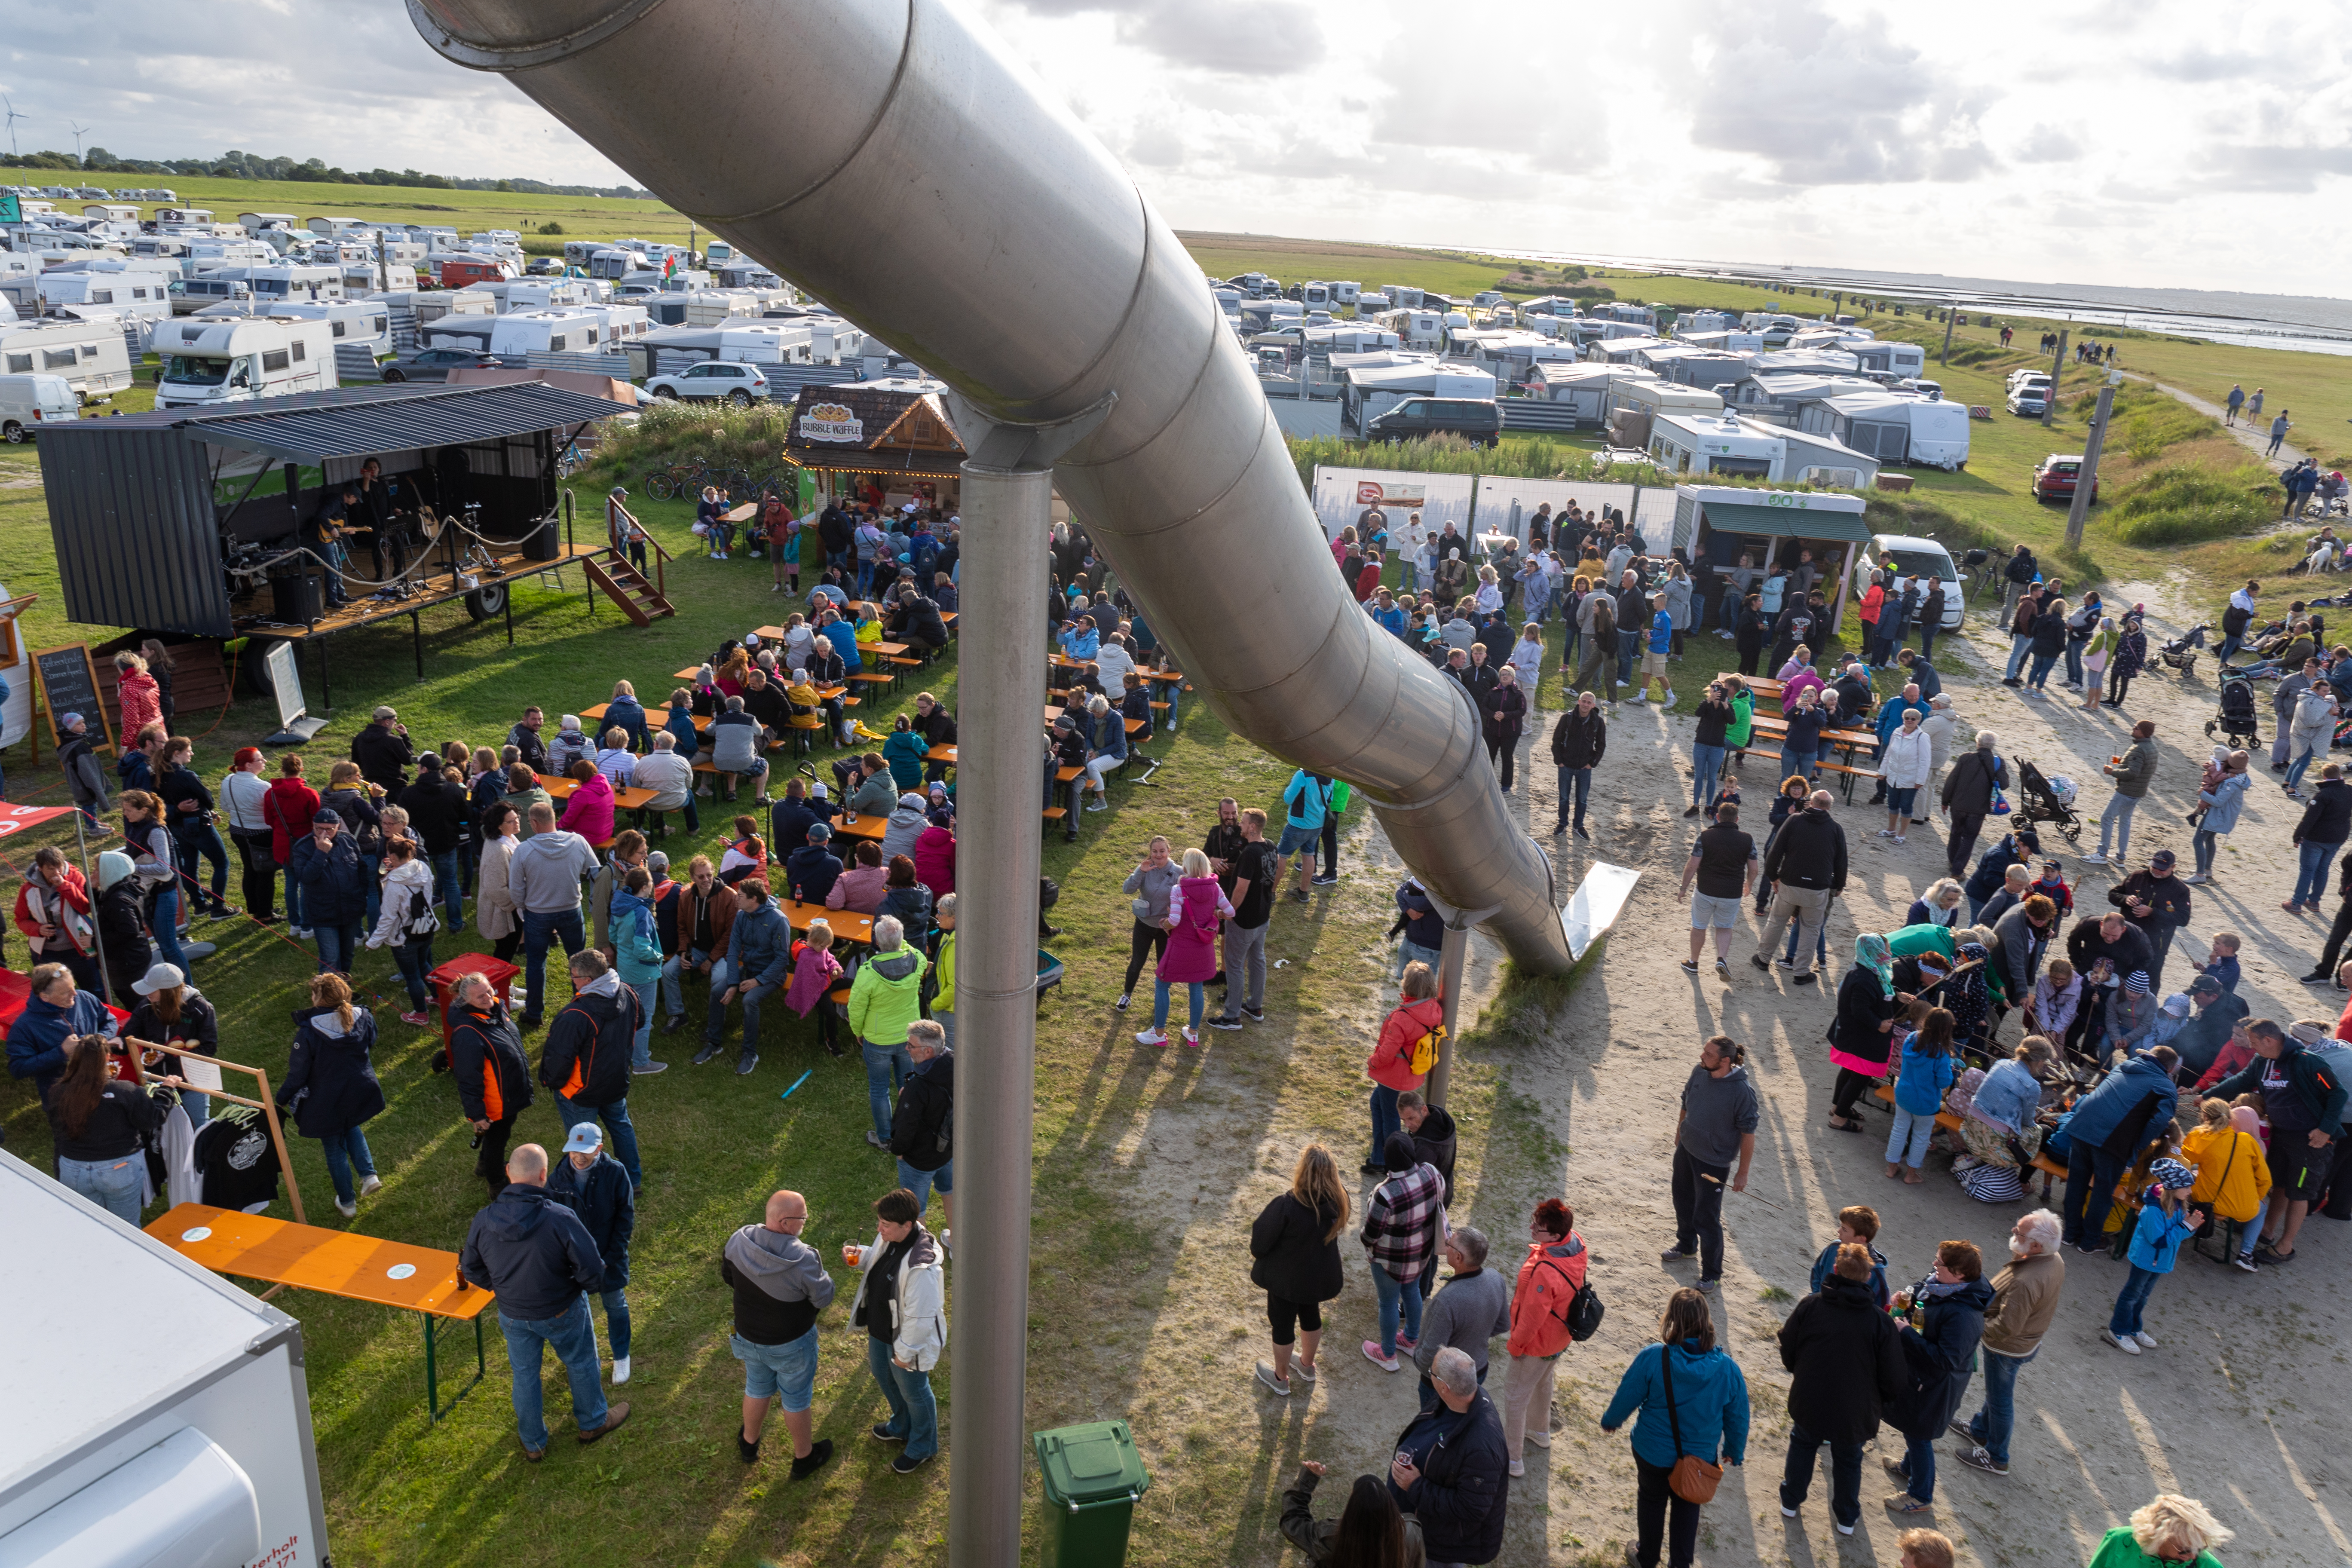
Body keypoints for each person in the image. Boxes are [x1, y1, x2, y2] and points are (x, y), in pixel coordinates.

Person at [458, 1143, 628, 1459]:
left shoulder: (483, 1219)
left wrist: (501, 1288)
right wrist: (576, 1288)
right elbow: (592, 1269)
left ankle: (533, 1443)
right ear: (543, 1176)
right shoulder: (560, 1218)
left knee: (524, 1374)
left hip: (512, 1314)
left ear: (509, 1172)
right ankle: (592, 1422)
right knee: (580, 1363)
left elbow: (470, 1268)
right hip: (561, 1310)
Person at [1600, 1289, 1749, 1568]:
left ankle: (1647, 1557)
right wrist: (1734, 1450)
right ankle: (1680, 1564)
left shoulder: (1653, 1358)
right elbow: (1738, 1415)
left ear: (1672, 1320)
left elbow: (1627, 1394)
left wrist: (1612, 1420)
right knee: (1687, 1505)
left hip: (1652, 1452)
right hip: (1699, 1459)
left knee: (1651, 1499)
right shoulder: (1728, 1369)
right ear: (1706, 1321)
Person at [1777, 1240, 1905, 1537]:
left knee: (1802, 1446)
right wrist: (1879, 1400)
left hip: (1810, 1399)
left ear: (1834, 1270)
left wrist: (1800, 1371)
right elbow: (1895, 1376)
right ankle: (1846, 1518)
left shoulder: (1811, 1305)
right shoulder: (1880, 1322)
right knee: (1849, 1461)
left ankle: (1790, 1501)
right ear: (1867, 1277)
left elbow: (1788, 1342)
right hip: (1855, 1410)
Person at [2202, 1018, 2348, 1265]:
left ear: (2269, 1040)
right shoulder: (2262, 1061)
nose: (2251, 1047)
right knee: (2277, 1183)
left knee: (2299, 1193)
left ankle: (2285, 1247)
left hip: (2310, 1141)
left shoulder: (2307, 1062)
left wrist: (2325, 1130)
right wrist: (2206, 1096)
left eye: (2254, 1043)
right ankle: (2267, 1231)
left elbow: (2338, 1094)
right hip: (2282, 1134)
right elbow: (2241, 1082)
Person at [723, 1189, 837, 1477]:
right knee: (796, 1399)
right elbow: (823, 1299)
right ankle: (804, 1458)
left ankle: (749, 1443)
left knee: (757, 1387)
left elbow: (728, 1276)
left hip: (748, 1337)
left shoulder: (739, 1239)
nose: (805, 1223)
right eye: (803, 1218)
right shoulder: (804, 1259)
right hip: (792, 1344)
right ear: (786, 1223)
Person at [848, 1186, 948, 1475]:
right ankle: (901, 1426)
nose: (880, 1230)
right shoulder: (892, 1234)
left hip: (905, 1341)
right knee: (884, 1377)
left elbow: (920, 1320)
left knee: (915, 1392)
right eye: (880, 1223)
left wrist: (904, 1355)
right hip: (880, 1331)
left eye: (886, 1226)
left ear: (908, 1225)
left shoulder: (924, 1269)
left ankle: (923, 1446)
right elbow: (884, 1263)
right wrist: (863, 1255)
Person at [1385, 1346, 1510, 1567]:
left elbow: (1472, 1508)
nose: (1428, 1375)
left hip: (1441, 1546)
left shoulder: (1482, 1448)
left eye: (1431, 1373)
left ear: (1444, 1387)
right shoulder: (1458, 1400)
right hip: (1424, 1524)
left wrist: (1415, 1486)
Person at [277, 972, 386, 1220]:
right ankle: (369, 1176)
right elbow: (372, 1040)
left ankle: (348, 1203)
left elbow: (298, 1074)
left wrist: (282, 1097)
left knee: (334, 1148)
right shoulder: (364, 1016)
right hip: (359, 1089)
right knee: (351, 1126)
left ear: (318, 997)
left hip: (326, 1098)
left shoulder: (308, 1033)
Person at [1250, 1144, 1348, 1397]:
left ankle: (1280, 1378)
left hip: (1287, 1282)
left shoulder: (1287, 1206)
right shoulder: (1340, 1201)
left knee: (1282, 1327)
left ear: (1302, 1171)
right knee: (1311, 1314)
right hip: (1317, 1278)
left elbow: (1259, 1244)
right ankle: (1307, 1365)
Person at [2061, 1044, 2182, 1249]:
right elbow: (2160, 1121)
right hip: (2113, 1140)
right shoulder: (2166, 1087)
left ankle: (2070, 1233)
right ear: (2171, 1069)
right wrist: (2140, 1144)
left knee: (2076, 1184)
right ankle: (2089, 1242)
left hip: (2083, 1126)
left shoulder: (2123, 1066)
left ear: (2149, 1056)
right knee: (2102, 1191)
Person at [1500, 1197, 1586, 1472]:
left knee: (1515, 1396)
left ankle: (1512, 1459)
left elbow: (1531, 1318)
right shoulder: (1576, 1245)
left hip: (1537, 1343)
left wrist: (1516, 1345)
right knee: (1543, 1380)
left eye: (1538, 1228)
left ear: (1555, 1235)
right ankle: (1540, 1431)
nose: (1532, 1230)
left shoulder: (1545, 1272)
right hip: (1560, 1337)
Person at [1664, 1035, 1758, 1291]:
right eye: (1704, 1052)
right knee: (1682, 1200)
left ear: (1725, 1061)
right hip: (1687, 1150)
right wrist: (1679, 1130)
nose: (1702, 1057)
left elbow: (1748, 1133)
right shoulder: (1700, 1071)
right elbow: (1686, 1101)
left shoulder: (1742, 1092)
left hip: (1714, 1162)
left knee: (1706, 1216)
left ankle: (1712, 1273)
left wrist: (1743, 1173)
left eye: (1708, 1054)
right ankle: (1686, 1245)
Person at [547, 1121, 636, 1383]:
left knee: (616, 1306)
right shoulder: (557, 1178)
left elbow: (625, 1218)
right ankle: (589, 1360)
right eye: (574, 1149)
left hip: (609, 1259)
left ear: (599, 1148)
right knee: (578, 1313)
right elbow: (553, 1222)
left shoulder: (616, 1172)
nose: (578, 1156)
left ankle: (621, 1356)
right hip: (574, 1262)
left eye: (585, 1150)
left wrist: (611, 1257)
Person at [43, 1032, 164, 1224]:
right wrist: (166, 1093)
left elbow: (57, 1130)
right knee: (127, 1229)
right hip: (119, 1169)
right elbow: (151, 1120)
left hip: (73, 1168)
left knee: (90, 1227)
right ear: (108, 1058)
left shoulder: (58, 1092)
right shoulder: (126, 1091)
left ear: (75, 1059)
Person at [1360, 1131, 1446, 1373]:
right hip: (1421, 1255)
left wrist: (1364, 1241)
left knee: (1388, 1303)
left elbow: (1371, 1235)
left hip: (1390, 1263)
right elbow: (1441, 1197)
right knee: (1412, 1292)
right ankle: (1411, 1339)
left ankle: (1387, 1354)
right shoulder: (1431, 1172)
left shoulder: (1384, 1194)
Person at [445, 971, 534, 1200]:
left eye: (489, 991)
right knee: (498, 1140)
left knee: (500, 1134)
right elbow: (468, 1078)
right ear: (466, 1001)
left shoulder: (496, 1008)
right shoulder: (467, 1033)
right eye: (480, 997)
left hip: (509, 1093)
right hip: (495, 1101)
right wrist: (477, 1115)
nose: (488, 998)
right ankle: (497, 1183)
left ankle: (484, 1164)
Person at [511, 802, 598, 1028]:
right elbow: (596, 871)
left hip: (538, 913)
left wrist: (525, 906)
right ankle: (583, 1007)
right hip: (571, 909)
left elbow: (516, 889)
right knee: (579, 960)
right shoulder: (578, 842)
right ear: (555, 818)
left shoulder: (523, 850)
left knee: (536, 963)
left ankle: (534, 1013)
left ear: (535, 823)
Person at [2104, 1155, 2202, 1355]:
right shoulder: (2153, 1210)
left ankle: (2133, 1327)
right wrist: (2186, 1227)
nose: (2191, 1191)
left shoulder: (2176, 1205)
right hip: (2146, 1260)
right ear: (2174, 1187)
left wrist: (2190, 1226)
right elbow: (2159, 1240)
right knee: (2132, 1294)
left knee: (2144, 1295)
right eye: (2187, 1187)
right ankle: (2119, 1330)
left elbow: (2177, 1233)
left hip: (2160, 1261)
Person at [697, 874, 792, 1077]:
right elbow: (732, 952)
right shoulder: (741, 916)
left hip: (772, 975)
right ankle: (714, 1043)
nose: (736, 899)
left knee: (750, 1000)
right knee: (717, 992)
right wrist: (733, 983)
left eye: (740, 896)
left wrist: (758, 981)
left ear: (754, 900)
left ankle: (750, 1053)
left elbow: (782, 960)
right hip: (748, 970)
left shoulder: (778, 921)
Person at [849, 914, 929, 1148]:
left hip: (877, 1040)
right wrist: (899, 941)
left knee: (879, 1089)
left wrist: (858, 1031)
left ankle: (885, 1138)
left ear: (876, 941)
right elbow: (917, 954)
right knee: (910, 1086)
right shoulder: (917, 960)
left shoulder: (868, 972)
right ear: (902, 940)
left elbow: (855, 1008)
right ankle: (912, 1132)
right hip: (909, 1037)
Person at [1752, 790, 1845, 985]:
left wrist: (1773, 877)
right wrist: (1838, 886)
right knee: (1811, 928)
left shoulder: (1794, 821)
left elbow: (1775, 851)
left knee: (1777, 920)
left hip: (1790, 883)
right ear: (1829, 807)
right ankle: (1801, 972)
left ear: (1811, 803)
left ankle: (1763, 958)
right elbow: (1841, 862)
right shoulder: (1836, 829)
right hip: (1818, 888)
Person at [1139, 848, 1225, 1049]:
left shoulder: (1179, 889)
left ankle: (1159, 1033)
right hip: (1203, 947)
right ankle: (1193, 1033)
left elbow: (1175, 920)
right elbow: (1229, 912)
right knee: (1196, 987)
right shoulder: (1216, 888)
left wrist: (1164, 923)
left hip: (1181, 946)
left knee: (1162, 984)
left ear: (1188, 866)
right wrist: (1215, 916)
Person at [1209, 808, 1277, 1029]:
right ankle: (1255, 1007)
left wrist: (1228, 912)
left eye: (1244, 822)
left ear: (1253, 827)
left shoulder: (1249, 853)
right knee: (1258, 960)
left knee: (1235, 965)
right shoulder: (1270, 847)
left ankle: (1231, 1017)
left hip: (1245, 919)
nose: (1240, 825)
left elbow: (1241, 890)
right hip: (1262, 917)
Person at [1278, 1464, 1424, 1565]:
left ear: (1352, 1508)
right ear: (1391, 1505)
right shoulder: (1411, 1531)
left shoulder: (1331, 1538)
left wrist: (1307, 1480)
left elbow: (1292, 1522)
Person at [889, 1019, 956, 1237]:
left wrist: (898, 1150)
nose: (907, 1049)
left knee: (916, 1211)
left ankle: (924, 1258)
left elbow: (906, 1125)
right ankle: (957, 1241)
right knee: (951, 1193)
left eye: (911, 1045)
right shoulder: (957, 1063)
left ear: (928, 1051)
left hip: (919, 1159)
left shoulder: (918, 1086)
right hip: (949, 1150)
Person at [362, 838, 439, 1027]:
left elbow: (388, 918)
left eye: (389, 853)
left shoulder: (395, 884)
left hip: (404, 937)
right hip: (426, 928)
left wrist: (373, 942)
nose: (386, 856)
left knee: (412, 975)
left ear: (394, 856)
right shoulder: (422, 867)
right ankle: (439, 997)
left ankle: (421, 1014)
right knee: (424, 965)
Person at [1677, 802, 1755, 977]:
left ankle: (1693, 963)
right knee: (1725, 927)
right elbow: (1754, 869)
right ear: (1737, 819)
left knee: (1699, 927)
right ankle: (1721, 959)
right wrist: (1748, 884)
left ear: (1717, 817)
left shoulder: (1705, 836)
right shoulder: (1748, 839)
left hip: (1706, 890)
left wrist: (1683, 888)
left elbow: (1692, 866)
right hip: (1732, 893)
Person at [1116, 836, 1181, 1012]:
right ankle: (1126, 996)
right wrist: (1141, 872)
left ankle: (1161, 1000)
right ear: (1150, 853)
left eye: (1162, 851)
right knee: (1137, 962)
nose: (1158, 855)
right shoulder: (1145, 869)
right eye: (1155, 852)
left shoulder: (1179, 872)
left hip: (1165, 929)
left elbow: (1187, 899)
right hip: (1143, 925)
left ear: (1169, 851)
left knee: (1163, 966)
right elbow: (1127, 889)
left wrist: (1175, 909)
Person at [2082, 720, 2158, 867]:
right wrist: (2121, 761)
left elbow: (2132, 773)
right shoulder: (2151, 748)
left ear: (2142, 732)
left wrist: (2113, 772)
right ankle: (2120, 857)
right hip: (2138, 792)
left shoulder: (2138, 748)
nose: (2133, 729)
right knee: (2125, 822)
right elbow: (2142, 766)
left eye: (2136, 728)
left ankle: (2102, 854)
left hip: (2126, 792)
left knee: (2107, 818)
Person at [2087, 1494, 2234, 1568]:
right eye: (2185, 1550)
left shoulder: (2209, 1566)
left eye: (2200, 1548)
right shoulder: (2118, 1540)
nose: (2194, 1556)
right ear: (2160, 1537)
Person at [1939, 732, 2006, 881]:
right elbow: (2004, 784)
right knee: (1969, 839)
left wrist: (1945, 801)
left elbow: (1951, 780)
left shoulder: (1965, 757)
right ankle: (1957, 871)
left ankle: (1952, 862)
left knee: (1956, 833)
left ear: (1978, 743)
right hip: (1978, 808)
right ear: (1993, 746)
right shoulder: (1998, 762)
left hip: (1958, 804)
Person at [2288, 761, 2352, 913]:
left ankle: (2296, 903)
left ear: (2324, 776)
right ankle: (2314, 901)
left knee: (2308, 871)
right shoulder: (2349, 791)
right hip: (2338, 838)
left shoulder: (2322, 795)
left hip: (2317, 838)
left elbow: (2309, 819)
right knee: (2323, 870)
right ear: (2339, 775)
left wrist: (2297, 837)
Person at [2187, 748, 2251, 885]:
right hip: (2221, 816)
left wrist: (2202, 793)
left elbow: (2218, 802)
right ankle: (2207, 871)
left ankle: (2200, 874)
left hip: (2217, 816)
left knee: (2198, 841)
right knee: (2210, 840)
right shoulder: (2241, 779)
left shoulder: (2231, 784)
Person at [1550, 689, 1606, 839]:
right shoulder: (1567, 718)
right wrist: (1559, 762)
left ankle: (1578, 826)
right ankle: (1562, 824)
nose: (1586, 705)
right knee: (1564, 798)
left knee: (1582, 800)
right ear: (1579, 702)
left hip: (1584, 768)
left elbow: (1601, 745)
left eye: (1589, 703)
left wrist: (1592, 763)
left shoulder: (1598, 722)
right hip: (1566, 766)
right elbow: (1557, 741)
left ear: (1593, 705)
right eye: (1584, 701)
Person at [1275, 768, 1332, 902]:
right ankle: (1303, 891)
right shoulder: (1331, 776)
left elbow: (1288, 799)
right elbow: (1331, 798)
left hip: (1298, 824)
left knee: (1281, 855)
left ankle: (1271, 892)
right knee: (1309, 854)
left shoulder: (1302, 775)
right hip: (1318, 824)